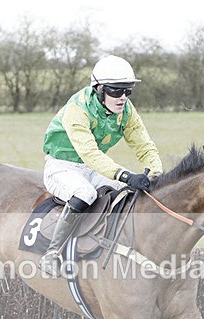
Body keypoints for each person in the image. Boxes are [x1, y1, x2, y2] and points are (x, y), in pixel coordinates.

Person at [39, 54, 163, 276]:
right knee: (85, 193)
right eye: (116, 90)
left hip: (92, 169)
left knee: (125, 194)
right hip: (61, 167)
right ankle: (51, 254)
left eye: (127, 90)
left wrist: (156, 174)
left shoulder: (126, 110)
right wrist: (125, 175)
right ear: (98, 89)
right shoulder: (77, 108)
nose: (123, 97)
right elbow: (90, 153)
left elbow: (144, 145)